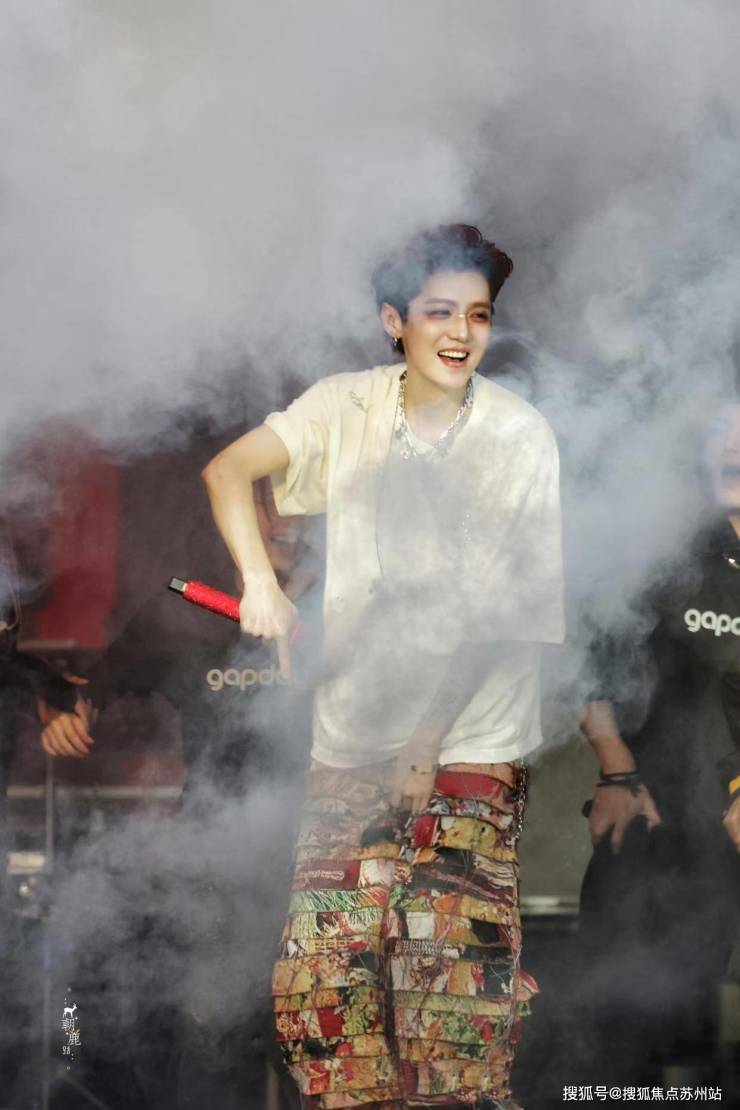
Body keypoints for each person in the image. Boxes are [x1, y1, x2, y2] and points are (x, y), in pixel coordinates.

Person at [203, 224, 565, 1109]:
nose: (461, 333)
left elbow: (500, 618)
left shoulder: (519, 436)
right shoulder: (346, 406)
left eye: (478, 315)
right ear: (393, 320)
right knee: (324, 996)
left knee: (446, 998)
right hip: (352, 741)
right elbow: (228, 471)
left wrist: (424, 745)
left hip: (468, 747)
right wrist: (260, 584)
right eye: (439, 312)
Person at [578, 398, 740, 1087]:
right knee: (621, 1024)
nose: (735, 448)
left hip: (728, 840)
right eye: (725, 434)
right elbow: (589, 665)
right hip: (646, 817)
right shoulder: (668, 553)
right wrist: (616, 772)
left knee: (702, 1036)